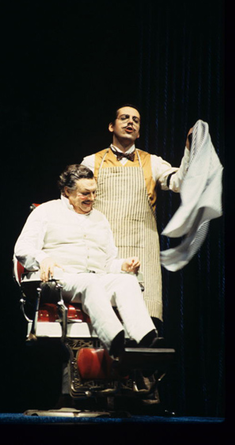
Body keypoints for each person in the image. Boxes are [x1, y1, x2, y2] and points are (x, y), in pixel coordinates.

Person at [13, 164, 163, 366]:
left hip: (96, 278)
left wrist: (123, 266)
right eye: (85, 193)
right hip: (63, 279)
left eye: (94, 192)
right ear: (67, 191)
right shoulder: (46, 212)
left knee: (126, 282)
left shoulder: (100, 219)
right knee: (89, 282)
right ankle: (117, 345)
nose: (92, 198)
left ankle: (146, 343)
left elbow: (108, 262)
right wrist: (42, 258)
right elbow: (22, 248)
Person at [81, 104, 193, 324]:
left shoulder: (153, 162)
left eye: (135, 120)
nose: (130, 122)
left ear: (139, 132)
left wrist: (189, 150)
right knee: (103, 316)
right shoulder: (90, 162)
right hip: (104, 247)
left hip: (142, 246)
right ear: (112, 126)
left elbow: (179, 183)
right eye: (124, 118)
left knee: (141, 318)